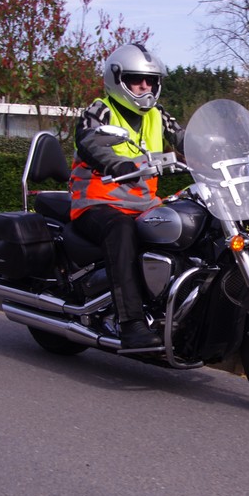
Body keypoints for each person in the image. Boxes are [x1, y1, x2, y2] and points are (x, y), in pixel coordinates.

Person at [69, 44, 184, 350]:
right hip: (98, 203)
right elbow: (89, 140)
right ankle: (131, 323)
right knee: (120, 229)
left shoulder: (158, 115)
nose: (145, 86)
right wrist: (114, 163)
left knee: (186, 223)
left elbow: (185, 137)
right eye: (136, 79)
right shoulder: (100, 110)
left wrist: (217, 151)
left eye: (151, 81)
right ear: (117, 79)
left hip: (144, 205)